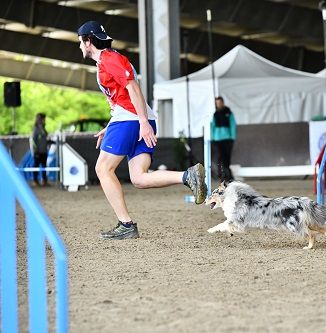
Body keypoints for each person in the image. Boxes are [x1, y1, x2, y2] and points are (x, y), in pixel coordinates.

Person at [77, 21, 207, 240]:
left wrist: (142, 122)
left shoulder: (109, 58)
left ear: (88, 41)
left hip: (131, 119)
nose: (80, 47)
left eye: (80, 42)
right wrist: (109, 126)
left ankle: (126, 225)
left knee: (102, 169)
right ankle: (188, 176)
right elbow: (122, 98)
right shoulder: (107, 60)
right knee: (138, 178)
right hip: (131, 118)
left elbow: (133, 88)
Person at [211, 96, 236, 182]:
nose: (218, 104)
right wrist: (212, 137)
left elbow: (233, 125)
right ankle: (220, 175)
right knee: (219, 157)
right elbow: (212, 126)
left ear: (223, 103)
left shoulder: (228, 113)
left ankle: (228, 175)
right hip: (217, 139)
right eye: (216, 103)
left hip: (227, 139)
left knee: (227, 157)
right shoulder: (215, 114)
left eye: (219, 102)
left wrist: (232, 137)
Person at [30, 113, 51, 186]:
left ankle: (44, 180)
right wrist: (36, 151)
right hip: (38, 151)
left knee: (44, 166)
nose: (44, 120)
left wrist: (50, 142)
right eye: (43, 119)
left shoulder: (43, 128)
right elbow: (34, 140)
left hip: (44, 151)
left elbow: (44, 139)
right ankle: (35, 181)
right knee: (36, 166)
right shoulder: (36, 129)